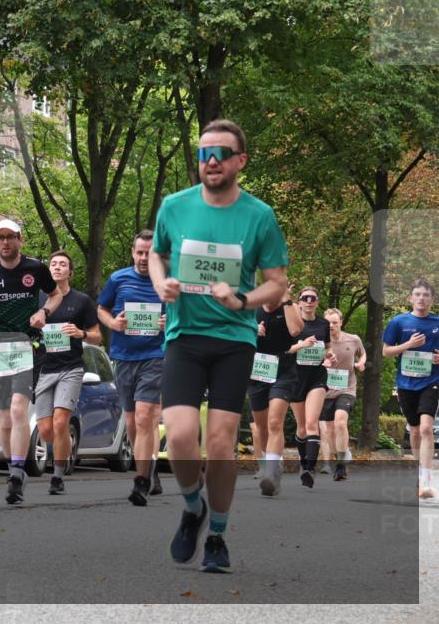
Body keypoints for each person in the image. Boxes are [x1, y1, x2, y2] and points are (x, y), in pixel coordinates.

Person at [149, 119, 289, 573]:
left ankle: (217, 537)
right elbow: (157, 254)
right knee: (180, 437)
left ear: (240, 161)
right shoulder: (175, 206)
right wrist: (161, 284)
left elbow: (278, 283)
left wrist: (243, 299)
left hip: (234, 340)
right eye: (203, 153)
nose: (210, 161)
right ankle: (194, 508)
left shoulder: (259, 215)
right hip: (184, 337)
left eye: (221, 153)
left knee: (221, 443)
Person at [0, 218, 61, 504]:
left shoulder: (35, 268)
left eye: (10, 237)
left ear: (20, 239)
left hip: (28, 344)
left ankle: (17, 473)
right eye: (0, 238)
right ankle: (13, 468)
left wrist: (43, 312)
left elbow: (55, 295)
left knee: (19, 409)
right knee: (4, 415)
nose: (5, 242)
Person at [98, 230, 167, 505]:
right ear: (133, 252)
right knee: (132, 423)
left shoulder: (166, 283)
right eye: (139, 252)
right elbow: (101, 309)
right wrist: (113, 323)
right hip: (124, 357)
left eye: (149, 253)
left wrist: (168, 323)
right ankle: (148, 466)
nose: (143, 258)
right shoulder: (118, 279)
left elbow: (184, 315)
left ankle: (140, 482)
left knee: (144, 416)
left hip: (155, 355)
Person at [36, 251, 101, 495]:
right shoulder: (39, 297)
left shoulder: (82, 301)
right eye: (53, 264)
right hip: (43, 368)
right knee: (46, 431)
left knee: (60, 422)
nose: (57, 267)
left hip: (70, 368)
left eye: (62, 264)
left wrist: (81, 333)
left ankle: (57, 475)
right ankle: (64, 444)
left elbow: (97, 337)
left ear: (70, 272)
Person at [382, 278, 439, 499]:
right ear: (410, 298)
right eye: (418, 294)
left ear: (432, 299)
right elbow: (386, 351)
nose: (421, 298)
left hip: (431, 381)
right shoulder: (398, 322)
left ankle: (425, 480)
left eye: (426, 295)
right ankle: (420, 470)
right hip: (406, 383)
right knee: (415, 430)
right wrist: (408, 345)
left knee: (426, 428)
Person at [249, 283, 303, 497]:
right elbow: (232, 332)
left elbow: (296, 330)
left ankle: (271, 475)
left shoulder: (289, 307)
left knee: (274, 422)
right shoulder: (252, 309)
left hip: (283, 371)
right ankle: (275, 462)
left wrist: (287, 301)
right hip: (257, 372)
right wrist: (252, 330)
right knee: (261, 427)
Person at [287, 286, 337, 488]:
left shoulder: (323, 324)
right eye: (305, 298)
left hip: (317, 377)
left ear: (317, 302)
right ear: (299, 302)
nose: (309, 301)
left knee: (311, 423)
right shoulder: (292, 324)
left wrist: (330, 355)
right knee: (301, 429)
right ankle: (303, 462)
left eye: (313, 298)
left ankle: (309, 469)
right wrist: (302, 345)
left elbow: (328, 347)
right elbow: (285, 349)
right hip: (295, 379)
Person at [321, 307, 365, 481]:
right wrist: (323, 364)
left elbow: (363, 354)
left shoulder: (353, 339)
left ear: (341, 323)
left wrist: (360, 363)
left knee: (340, 421)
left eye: (334, 322)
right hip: (325, 391)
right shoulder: (319, 341)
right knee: (329, 431)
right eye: (327, 323)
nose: (331, 326)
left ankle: (341, 467)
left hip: (347, 389)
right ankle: (342, 453)